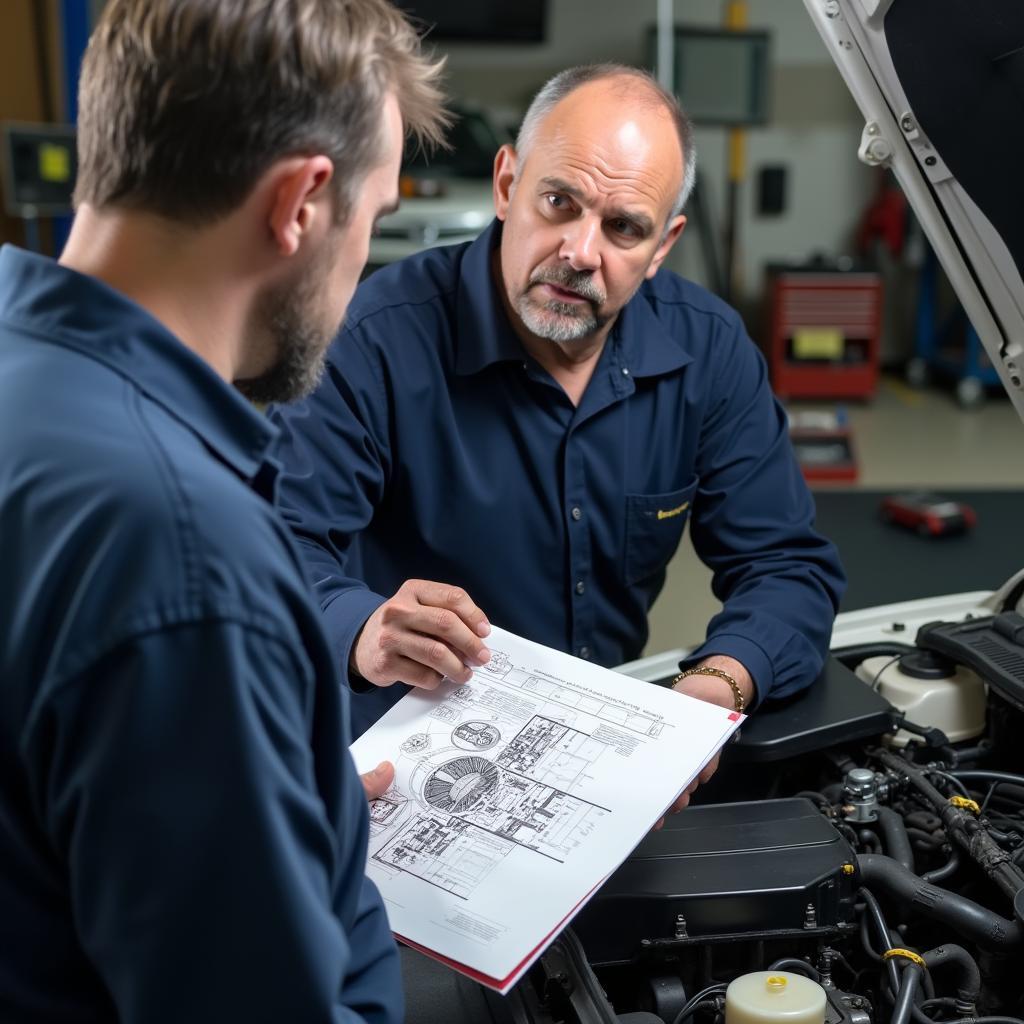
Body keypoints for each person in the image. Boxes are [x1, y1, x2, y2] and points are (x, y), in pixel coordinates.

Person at [0, 1, 447, 1021]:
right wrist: (327, 871)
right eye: (372, 218)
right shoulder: (184, 548)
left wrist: (287, 805)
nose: (360, 267)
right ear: (301, 203)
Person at [269, 64, 846, 801]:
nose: (580, 251)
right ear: (507, 185)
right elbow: (274, 557)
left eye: (623, 227)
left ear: (663, 245)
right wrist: (363, 628)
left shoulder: (710, 350)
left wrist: (717, 685)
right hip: (402, 760)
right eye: (558, 201)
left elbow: (788, 566)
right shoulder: (372, 340)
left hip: (596, 766)